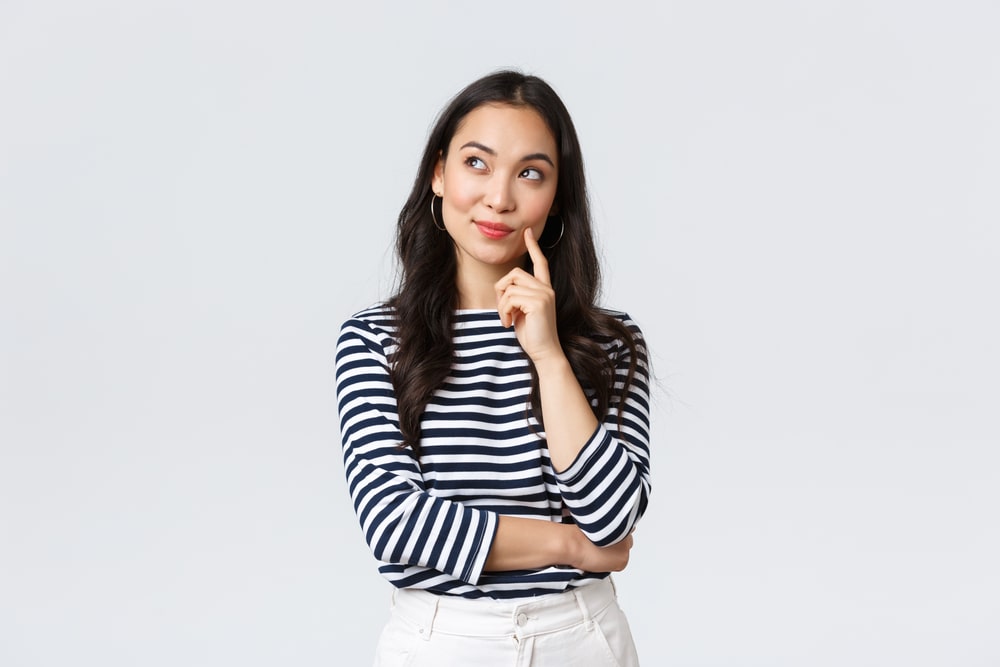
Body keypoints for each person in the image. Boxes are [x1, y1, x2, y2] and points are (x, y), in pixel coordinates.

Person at [335, 70, 651, 666]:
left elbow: (611, 518)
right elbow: (397, 525)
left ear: (557, 195)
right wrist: (569, 545)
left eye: (530, 173)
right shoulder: (377, 339)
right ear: (438, 172)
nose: (499, 197)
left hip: (581, 639)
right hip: (440, 643)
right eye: (477, 163)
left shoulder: (610, 343)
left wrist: (550, 356)